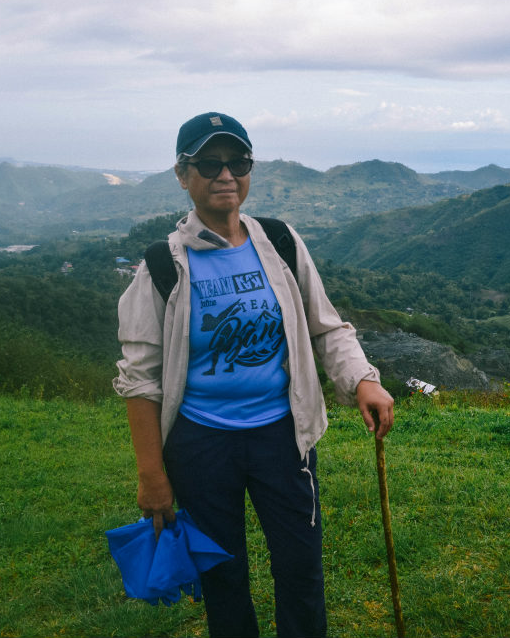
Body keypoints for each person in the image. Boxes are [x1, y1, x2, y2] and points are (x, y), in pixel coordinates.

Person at [113, 112, 395, 637]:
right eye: (210, 164)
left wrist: (362, 379)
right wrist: (152, 475)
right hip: (201, 444)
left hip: (282, 435)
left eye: (237, 162)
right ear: (182, 174)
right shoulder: (162, 265)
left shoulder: (280, 243)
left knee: (301, 569)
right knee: (223, 577)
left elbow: (326, 326)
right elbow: (140, 379)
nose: (226, 175)